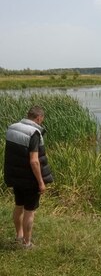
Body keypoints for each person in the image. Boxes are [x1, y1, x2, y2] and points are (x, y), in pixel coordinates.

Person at [4, 105, 53, 248]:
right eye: (42, 119)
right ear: (38, 118)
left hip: (15, 176)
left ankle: (19, 236)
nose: (41, 122)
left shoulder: (12, 128)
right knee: (29, 211)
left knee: (18, 205)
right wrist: (41, 182)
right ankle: (27, 243)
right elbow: (34, 161)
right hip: (29, 179)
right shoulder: (34, 133)